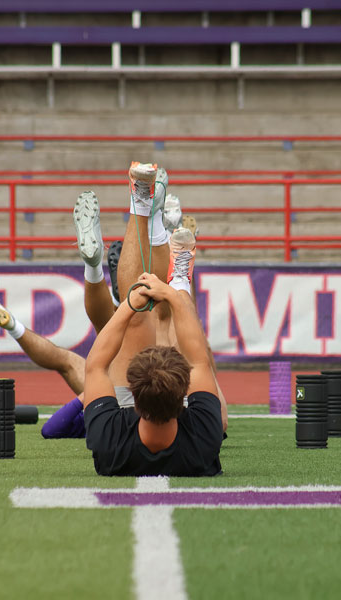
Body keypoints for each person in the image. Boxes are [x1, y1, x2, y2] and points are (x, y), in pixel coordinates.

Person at [0, 163, 228, 445]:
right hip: (170, 397)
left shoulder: (113, 450)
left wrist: (92, 390)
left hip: (134, 389)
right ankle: (164, 245)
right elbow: (201, 361)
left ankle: (120, 251)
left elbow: (55, 423)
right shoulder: (115, 451)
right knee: (186, 343)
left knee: (82, 356)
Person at [81, 161, 223, 476]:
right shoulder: (204, 439)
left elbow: (93, 365)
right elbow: (199, 360)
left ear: (134, 396)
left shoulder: (112, 441)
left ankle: (142, 204)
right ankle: (180, 274)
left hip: (140, 444)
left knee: (139, 325)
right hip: (187, 444)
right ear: (183, 395)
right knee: (220, 411)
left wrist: (130, 304)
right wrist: (169, 293)